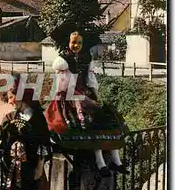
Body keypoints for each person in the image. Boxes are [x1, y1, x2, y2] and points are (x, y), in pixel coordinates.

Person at [45, 30, 129, 177]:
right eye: (73, 42)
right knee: (89, 120)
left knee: (106, 115)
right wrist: (84, 98)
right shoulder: (63, 61)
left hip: (84, 94)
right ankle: (100, 162)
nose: (76, 45)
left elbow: (90, 79)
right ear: (68, 42)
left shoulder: (85, 58)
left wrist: (95, 96)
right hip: (69, 97)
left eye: (79, 43)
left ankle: (116, 160)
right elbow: (66, 87)